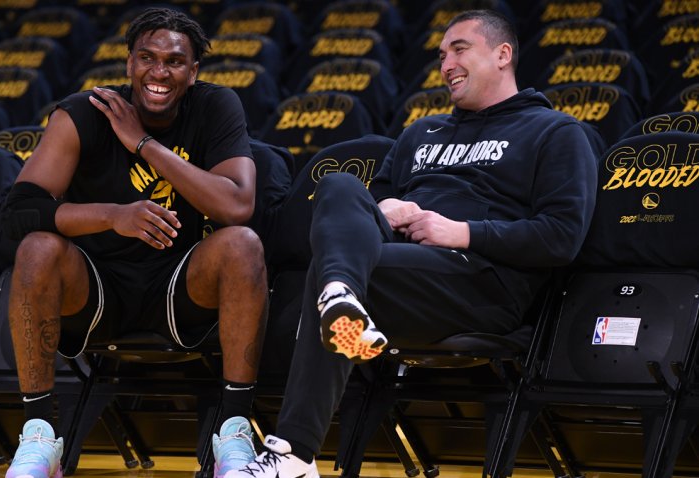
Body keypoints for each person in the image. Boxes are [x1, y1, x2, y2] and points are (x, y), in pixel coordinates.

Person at [225, 9, 598, 478]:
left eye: (459, 49)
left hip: (480, 281)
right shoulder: (420, 132)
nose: (446, 65)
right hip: (400, 264)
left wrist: (459, 231)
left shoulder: (557, 132)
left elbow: (562, 237)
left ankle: (296, 451)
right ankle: (339, 304)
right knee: (340, 186)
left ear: (503, 54)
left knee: (331, 274)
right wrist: (390, 210)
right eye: (442, 55)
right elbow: (363, 211)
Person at [0, 8, 268, 478]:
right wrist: (112, 216)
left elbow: (237, 205)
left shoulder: (215, 106)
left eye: (174, 61)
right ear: (128, 64)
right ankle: (39, 435)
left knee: (242, 243)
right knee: (36, 249)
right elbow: (17, 212)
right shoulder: (82, 113)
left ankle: (233, 431)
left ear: (194, 71)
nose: (159, 72)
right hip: (97, 289)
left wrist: (143, 143)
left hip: (179, 286)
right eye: (147, 57)